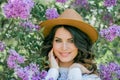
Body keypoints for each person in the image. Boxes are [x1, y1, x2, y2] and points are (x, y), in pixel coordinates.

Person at [40, 9, 101, 80]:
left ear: (80, 44)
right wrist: (53, 71)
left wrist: (74, 71)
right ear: (51, 42)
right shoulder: (37, 74)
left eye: (71, 41)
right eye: (58, 40)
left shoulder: (92, 78)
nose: (64, 48)